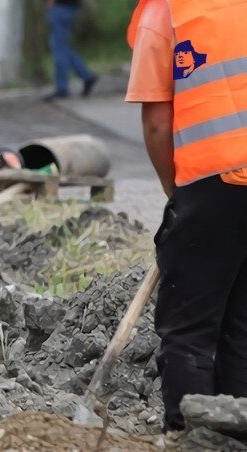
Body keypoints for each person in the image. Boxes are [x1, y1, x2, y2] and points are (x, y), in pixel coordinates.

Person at [127, 0, 247, 435]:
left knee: (190, 332)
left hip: (215, 183)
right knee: (240, 329)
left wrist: (177, 196)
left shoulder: (164, 12)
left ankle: (191, 441)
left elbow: (157, 122)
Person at [45, 0, 97, 100]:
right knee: (62, 47)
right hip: (72, 7)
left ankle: (62, 88)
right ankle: (86, 75)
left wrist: (50, 3)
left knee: (59, 48)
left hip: (60, 7)